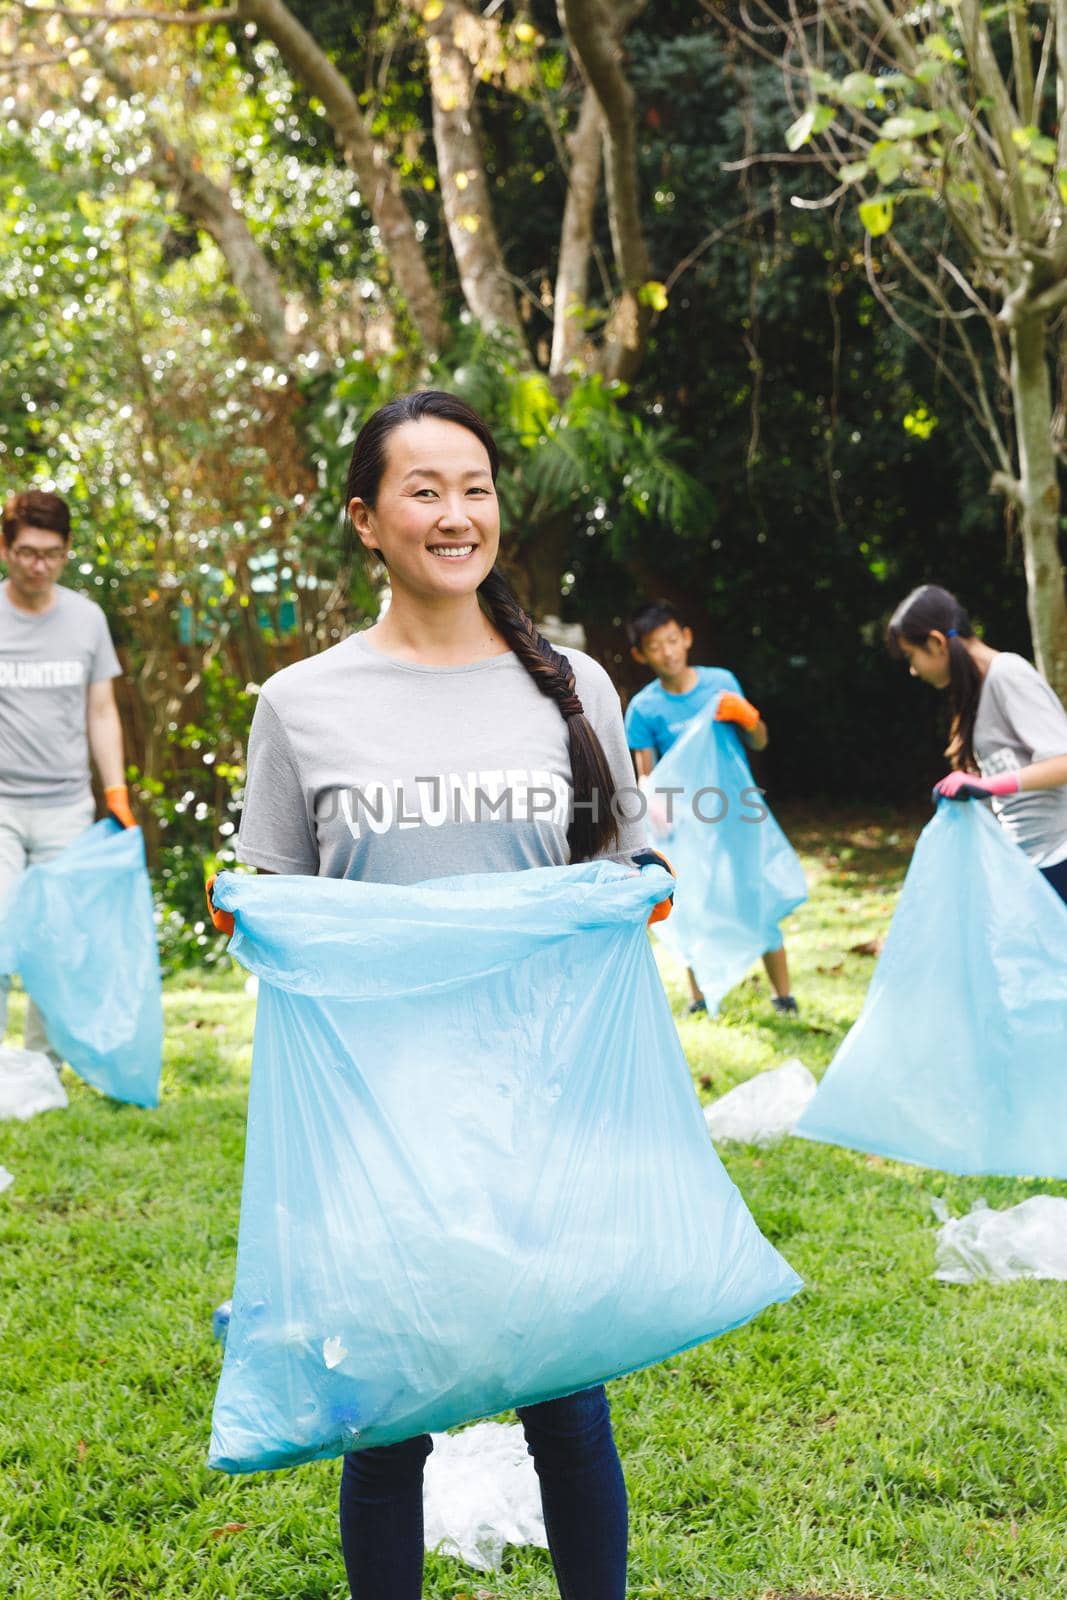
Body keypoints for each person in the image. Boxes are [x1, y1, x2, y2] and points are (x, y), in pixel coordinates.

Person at [228, 390, 665, 1600]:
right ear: (364, 518)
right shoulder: (300, 704)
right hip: (375, 1116)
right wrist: (244, 909)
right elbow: (273, 907)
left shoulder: (569, 682)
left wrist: (644, 889)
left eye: (473, 486)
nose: (455, 513)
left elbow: (625, 866)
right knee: (384, 1429)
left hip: (539, 1098)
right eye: (423, 490)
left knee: (566, 1406)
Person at [0, 490, 134, 1056]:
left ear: (67, 551)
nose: (40, 566)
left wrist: (116, 792)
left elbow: (101, 710)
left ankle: (40, 1071)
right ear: (5, 548)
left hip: (66, 809)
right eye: (29, 552)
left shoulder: (85, 619)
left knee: (57, 944)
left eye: (52, 554)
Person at [624, 601, 798, 1015]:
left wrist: (748, 716)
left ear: (686, 637)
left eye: (671, 640)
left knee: (753, 891)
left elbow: (759, 741)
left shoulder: (721, 683)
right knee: (693, 901)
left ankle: (784, 995)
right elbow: (646, 774)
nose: (667, 652)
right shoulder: (644, 709)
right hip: (688, 820)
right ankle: (699, 999)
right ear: (641, 654)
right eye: (654, 646)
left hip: (737, 810)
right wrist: (653, 801)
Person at [888, 583, 1067, 905]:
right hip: (1026, 863)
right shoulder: (976, 690)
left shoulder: (1007, 673)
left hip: (1058, 858)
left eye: (911, 656)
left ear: (935, 642)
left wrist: (988, 785)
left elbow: (1064, 762)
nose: (913, 670)